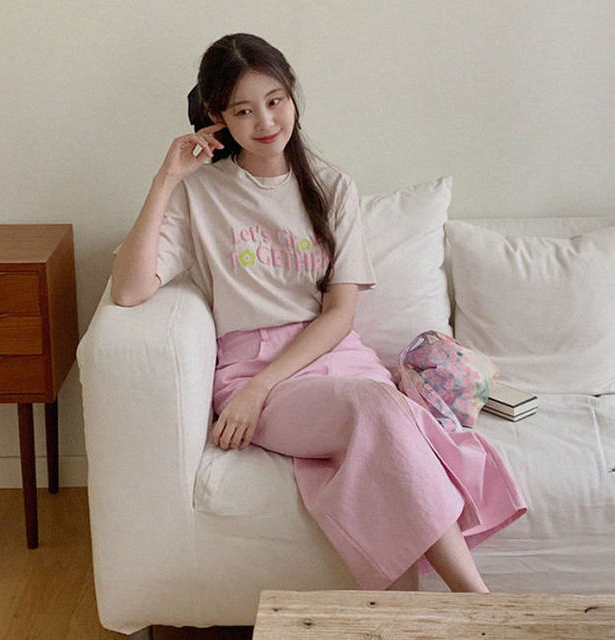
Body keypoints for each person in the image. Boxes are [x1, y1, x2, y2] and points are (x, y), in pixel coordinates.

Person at [111, 33, 526, 593]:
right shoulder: (201, 193)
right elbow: (129, 290)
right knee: (380, 410)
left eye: (275, 100)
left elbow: (339, 315)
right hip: (251, 369)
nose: (265, 121)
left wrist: (262, 387)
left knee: (378, 419)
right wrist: (166, 179)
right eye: (243, 110)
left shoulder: (333, 188)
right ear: (216, 117)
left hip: (335, 359)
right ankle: (477, 605)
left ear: (292, 96)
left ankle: (419, 616)